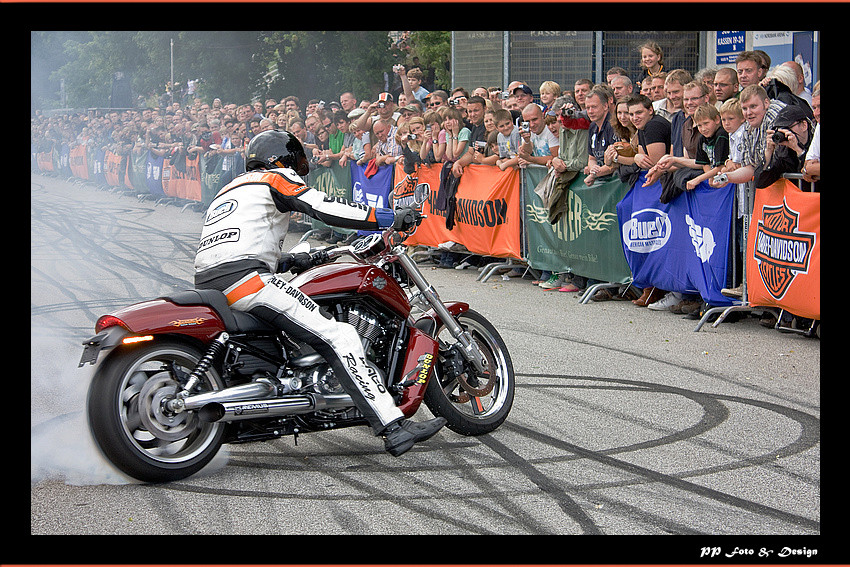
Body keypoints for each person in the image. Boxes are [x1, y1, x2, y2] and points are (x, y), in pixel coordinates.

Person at [193, 130, 445, 457]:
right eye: (296, 161)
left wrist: (289, 260)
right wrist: (390, 218)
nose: (298, 169)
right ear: (282, 158)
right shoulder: (275, 178)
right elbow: (324, 207)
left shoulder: (230, 189)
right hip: (247, 280)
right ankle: (394, 427)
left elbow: (234, 246)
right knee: (339, 335)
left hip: (212, 280)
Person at [626, 94, 670, 307]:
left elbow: (655, 163)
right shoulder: (642, 129)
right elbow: (642, 159)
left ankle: (657, 286)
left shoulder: (653, 126)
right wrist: (631, 157)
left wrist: (635, 158)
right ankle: (647, 285)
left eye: (639, 113)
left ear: (650, 110)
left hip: (665, 185)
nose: (634, 117)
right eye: (631, 114)